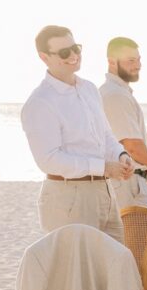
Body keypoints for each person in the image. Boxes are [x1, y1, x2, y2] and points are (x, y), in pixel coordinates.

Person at [21, 25, 134, 243]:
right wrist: (103, 167)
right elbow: (48, 160)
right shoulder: (40, 102)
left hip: (105, 192)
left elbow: (105, 135)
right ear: (44, 57)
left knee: (116, 260)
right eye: (65, 52)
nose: (73, 55)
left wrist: (121, 155)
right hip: (68, 198)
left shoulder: (89, 89)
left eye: (76, 48)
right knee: (76, 264)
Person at [100, 37, 147, 208]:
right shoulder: (115, 94)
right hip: (126, 183)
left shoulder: (116, 92)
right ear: (112, 62)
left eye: (138, 59)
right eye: (131, 60)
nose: (138, 65)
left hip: (127, 181)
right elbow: (131, 145)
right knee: (136, 227)